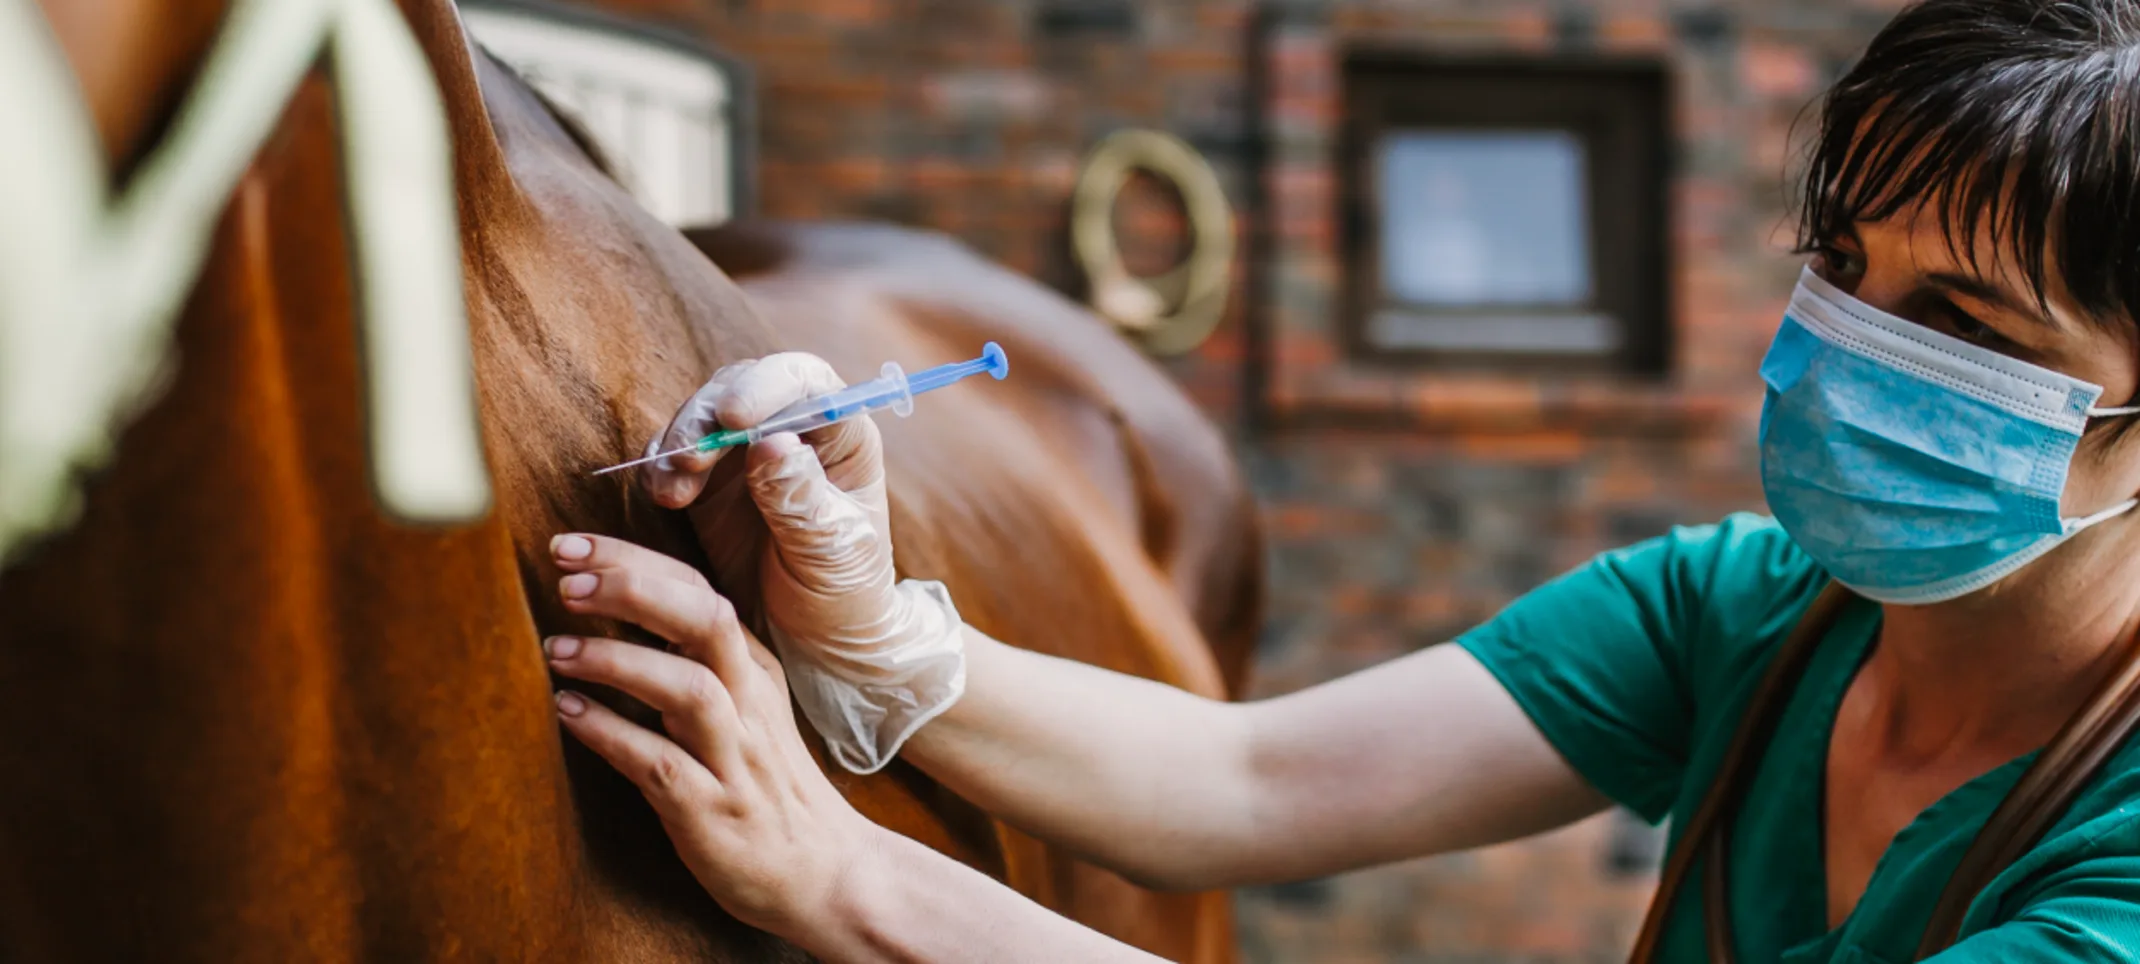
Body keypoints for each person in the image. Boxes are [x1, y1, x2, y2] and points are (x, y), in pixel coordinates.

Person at [540, 1, 2140, 960]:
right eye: (1845, 267)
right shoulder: (1757, 615)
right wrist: (877, 635)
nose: (1854, 348)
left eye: (1963, 322)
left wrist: (844, 878)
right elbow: (1252, 787)